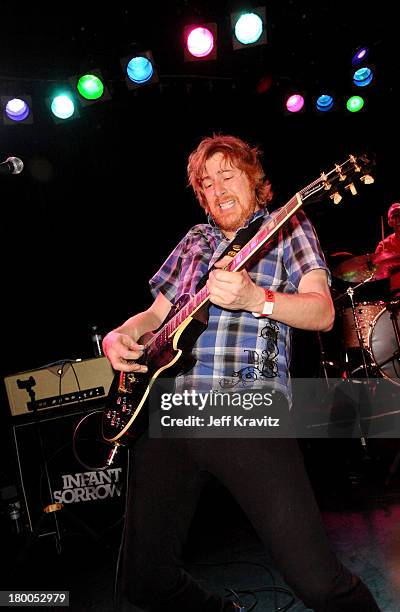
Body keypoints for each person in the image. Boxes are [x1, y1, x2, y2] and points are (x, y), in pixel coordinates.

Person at [102, 134, 380, 611]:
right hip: (168, 409)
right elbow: (153, 315)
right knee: (143, 581)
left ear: (255, 181)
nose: (216, 189)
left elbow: (322, 312)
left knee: (317, 583)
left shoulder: (287, 227)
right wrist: (116, 335)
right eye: (206, 183)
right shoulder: (194, 240)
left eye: (228, 175)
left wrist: (259, 299)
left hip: (244, 403)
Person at [375, 202, 400, 298]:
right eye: (395, 216)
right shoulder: (383, 246)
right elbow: (378, 274)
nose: (399, 219)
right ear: (390, 222)